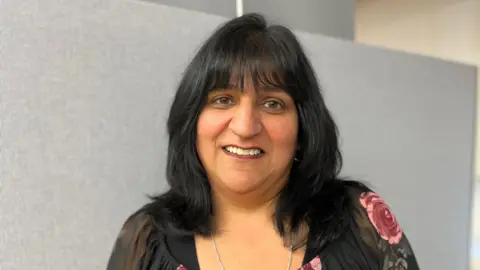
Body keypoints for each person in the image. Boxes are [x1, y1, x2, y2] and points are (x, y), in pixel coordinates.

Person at [106, 13, 420, 270]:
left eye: (272, 103)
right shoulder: (144, 240)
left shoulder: (361, 220)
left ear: (302, 128)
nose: (244, 127)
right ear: (192, 121)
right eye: (223, 99)